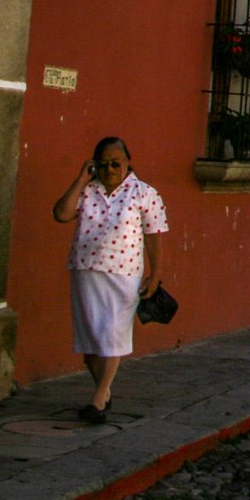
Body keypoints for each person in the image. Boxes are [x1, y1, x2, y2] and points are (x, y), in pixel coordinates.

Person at [52, 136, 168, 424]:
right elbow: (61, 214)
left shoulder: (144, 193)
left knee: (113, 333)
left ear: (128, 162)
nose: (110, 169)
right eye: (103, 164)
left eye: (116, 163)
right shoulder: (88, 190)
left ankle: (98, 399)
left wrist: (156, 274)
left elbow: (154, 238)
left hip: (125, 273)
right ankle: (103, 392)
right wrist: (81, 178)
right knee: (91, 339)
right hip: (86, 270)